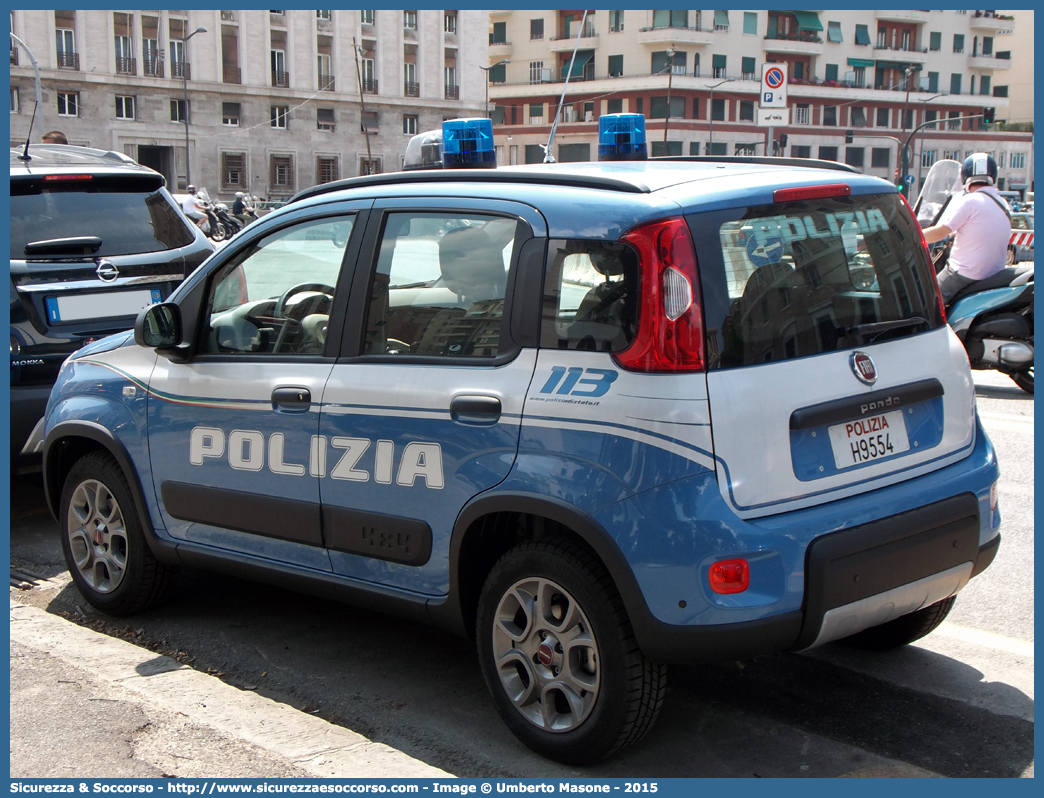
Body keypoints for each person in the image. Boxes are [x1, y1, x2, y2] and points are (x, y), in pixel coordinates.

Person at [921, 153, 1011, 304]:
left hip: (964, 273)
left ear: (965, 177)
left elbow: (940, 232)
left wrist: (912, 235)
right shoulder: (1003, 204)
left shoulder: (969, 201)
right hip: (994, 274)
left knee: (928, 302)